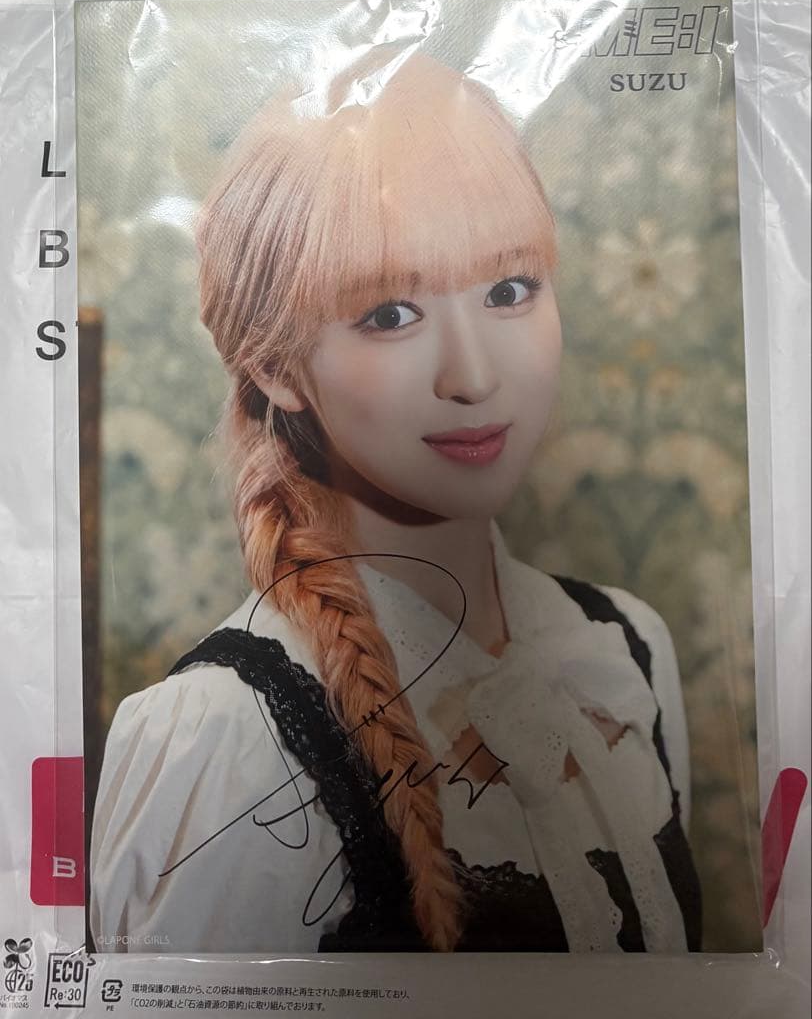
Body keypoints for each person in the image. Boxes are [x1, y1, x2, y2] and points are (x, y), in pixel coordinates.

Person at [89, 51, 702, 955]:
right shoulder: (225, 734)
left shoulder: (625, 646)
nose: (474, 374)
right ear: (276, 366)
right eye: (390, 314)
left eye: (509, 291)